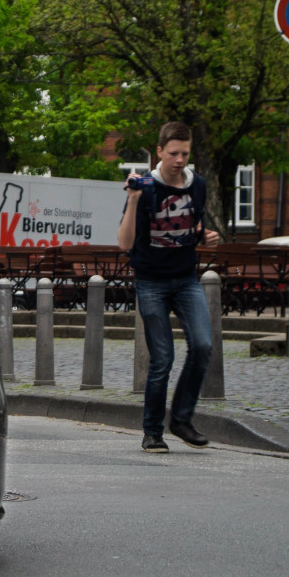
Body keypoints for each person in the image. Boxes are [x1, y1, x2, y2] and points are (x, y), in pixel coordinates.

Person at [117, 121, 220, 454]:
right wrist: (133, 201)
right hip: (151, 282)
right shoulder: (145, 187)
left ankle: (181, 419)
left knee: (203, 345)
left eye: (185, 154)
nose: (179, 160)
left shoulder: (197, 185)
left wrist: (206, 235)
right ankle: (152, 431)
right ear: (159, 151)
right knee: (163, 358)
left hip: (186, 278)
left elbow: (194, 220)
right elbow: (124, 243)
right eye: (173, 153)